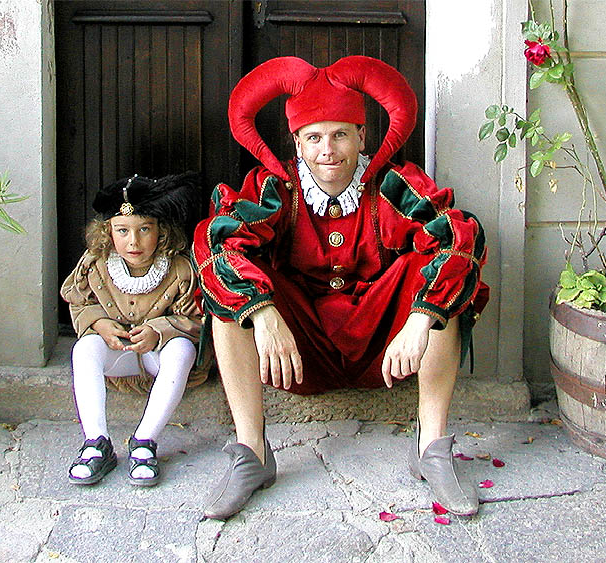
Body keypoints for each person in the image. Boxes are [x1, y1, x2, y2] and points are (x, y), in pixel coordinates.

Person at [192, 55, 489, 519]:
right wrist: (263, 312)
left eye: (340, 135)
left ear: (362, 136)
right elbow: (217, 244)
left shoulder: (392, 184)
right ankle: (251, 453)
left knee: (438, 274)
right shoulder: (275, 188)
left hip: (384, 347)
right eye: (313, 138)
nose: (327, 150)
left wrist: (420, 317)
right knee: (230, 290)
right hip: (298, 351)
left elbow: (458, 238)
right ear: (296, 141)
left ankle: (431, 447)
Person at [61, 172, 204, 487]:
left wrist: (159, 329)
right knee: (84, 349)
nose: (134, 241)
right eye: (122, 231)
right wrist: (99, 323)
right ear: (108, 232)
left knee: (182, 351)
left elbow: (196, 320)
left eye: (144, 230)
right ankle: (96, 443)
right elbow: (78, 302)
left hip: (157, 357)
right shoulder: (95, 264)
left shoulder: (178, 268)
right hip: (119, 355)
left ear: (161, 231)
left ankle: (144, 442)